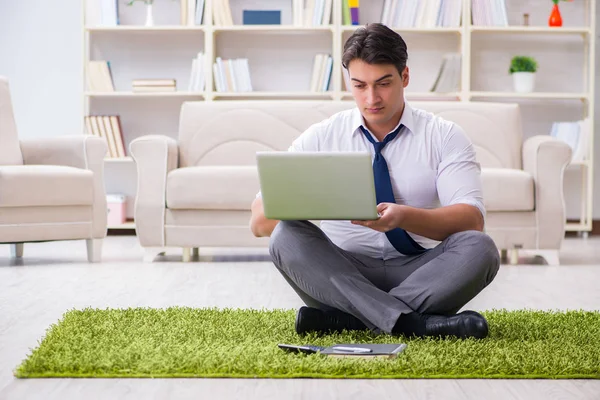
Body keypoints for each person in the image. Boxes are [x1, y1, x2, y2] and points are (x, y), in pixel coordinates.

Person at [249, 23, 500, 340]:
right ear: (348, 83)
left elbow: (471, 219)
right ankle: (414, 324)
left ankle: (348, 321)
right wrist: (317, 199)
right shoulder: (323, 136)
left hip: (421, 272)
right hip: (342, 274)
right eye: (359, 85)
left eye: (383, 84)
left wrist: (404, 217)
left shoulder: (444, 135)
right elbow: (258, 223)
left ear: (405, 77)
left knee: (481, 249)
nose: (371, 98)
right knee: (285, 235)